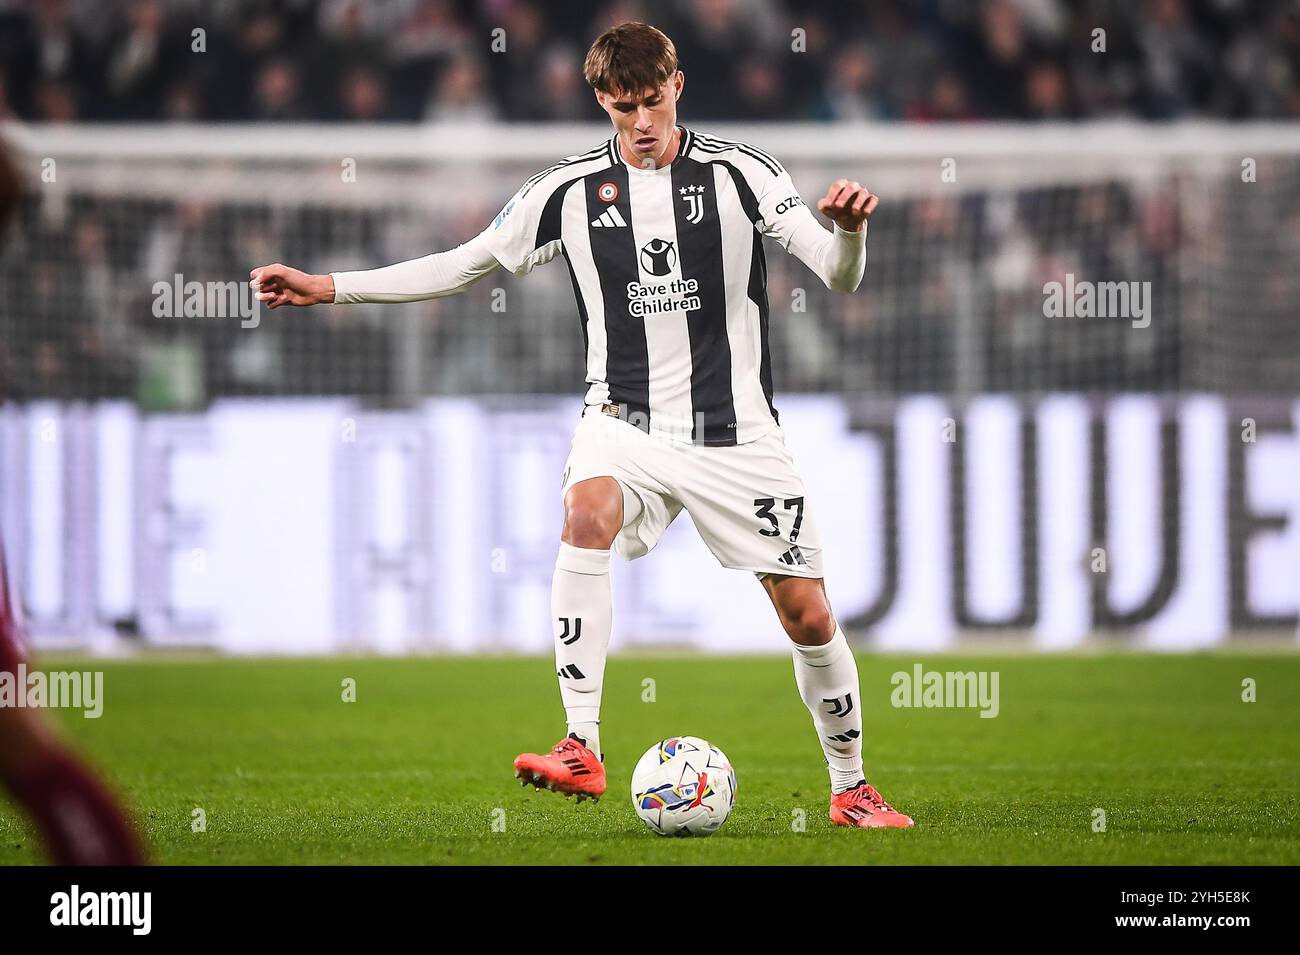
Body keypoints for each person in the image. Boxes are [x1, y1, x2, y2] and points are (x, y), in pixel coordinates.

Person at [250, 21, 912, 829]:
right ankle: (582, 743)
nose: (641, 122)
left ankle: (850, 786)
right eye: (624, 106)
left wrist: (850, 230)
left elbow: (839, 279)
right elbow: (465, 263)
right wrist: (328, 286)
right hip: (622, 420)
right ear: (601, 99)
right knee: (584, 510)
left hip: (735, 433)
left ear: (678, 86)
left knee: (806, 611)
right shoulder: (564, 191)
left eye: (653, 101)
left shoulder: (743, 174)